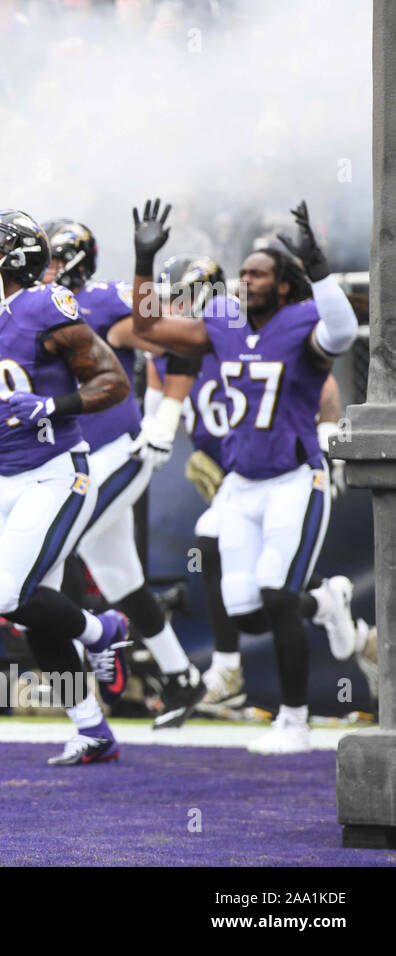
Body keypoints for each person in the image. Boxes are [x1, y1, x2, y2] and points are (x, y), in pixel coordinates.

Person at [129, 199, 359, 754]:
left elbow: (344, 334)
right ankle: (326, 602)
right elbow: (147, 326)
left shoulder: (303, 320)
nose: (245, 280)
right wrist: (143, 258)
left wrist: (320, 270)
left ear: (283, 285)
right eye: (244, 272)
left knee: (277, 598)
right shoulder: (225, 324)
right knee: (247, 612)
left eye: (257, 273)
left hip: (293, 478)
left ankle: (295, 721)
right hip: (240, 484)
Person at [0, 210, 133, 765]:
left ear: (19, 259)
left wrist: (53, 403)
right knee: (24, 609)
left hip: (59, 470)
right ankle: (92, 729)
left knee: (3, 595)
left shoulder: (45, 307)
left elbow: (112, 381)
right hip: (5, 480)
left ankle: (102, 628)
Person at [34, 218, 206, 729]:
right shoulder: (34, 309)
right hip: (82, 455)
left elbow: (182, 345)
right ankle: (181, 678)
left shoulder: (104, 302)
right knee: (120, 580)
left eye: (55, 262)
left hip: (120, 449)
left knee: (57, 544)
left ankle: (98, 636)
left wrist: (167, 418)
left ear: (77, 264)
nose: (46, 272)